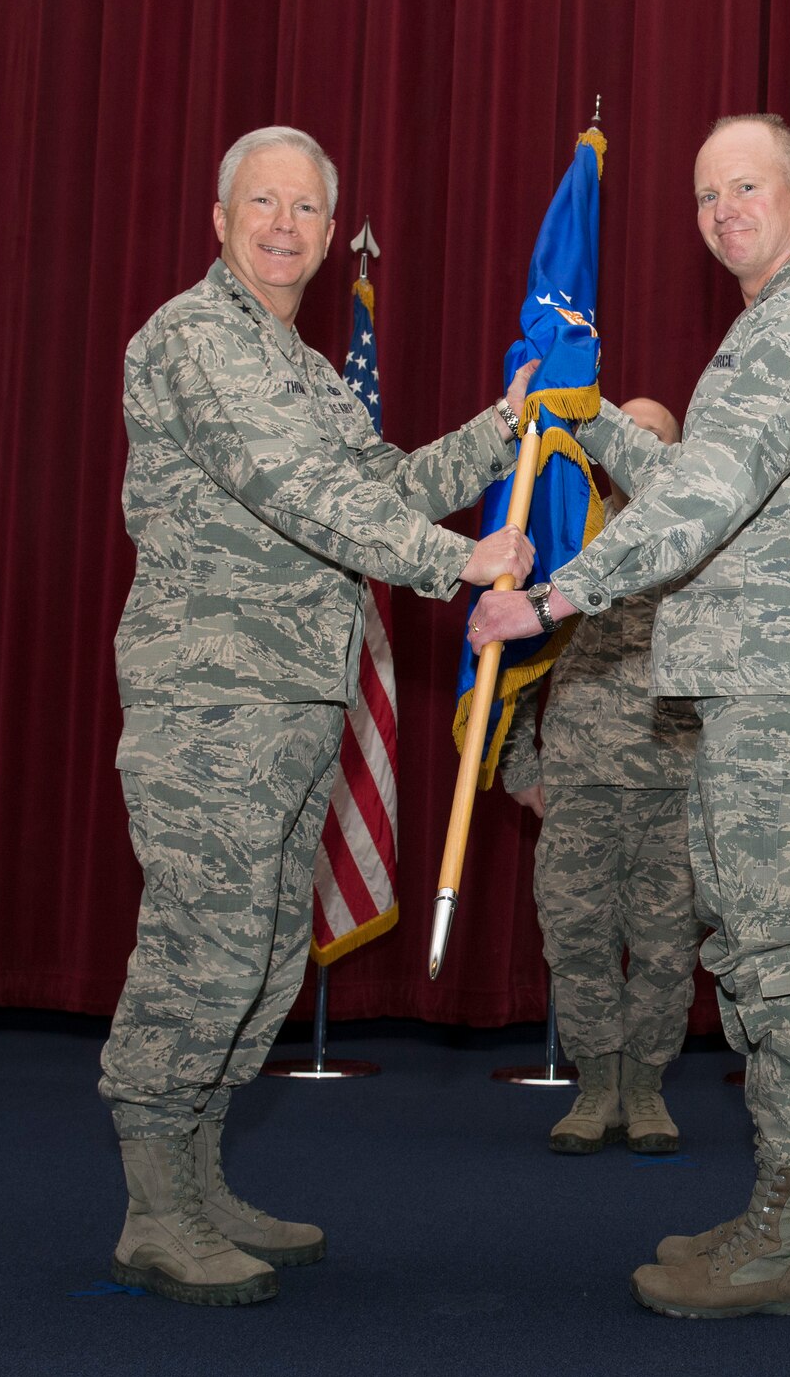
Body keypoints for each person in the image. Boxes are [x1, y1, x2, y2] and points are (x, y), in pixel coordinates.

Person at [467, 112, 790, 1321]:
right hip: (755, 683)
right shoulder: (759, 334)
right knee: (757, 952)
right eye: (707, 193)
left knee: (787, 957)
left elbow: (705, 495)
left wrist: (553, 596)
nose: (723, 210)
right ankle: (780, 1208)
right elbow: (699, 483)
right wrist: (585, 415)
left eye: (747, 186)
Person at [103, 125, 539, 1306]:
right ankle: (155, 1208)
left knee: (260, 952)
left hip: (298, 701)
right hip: (212, 701)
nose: (285, 225)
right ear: (220, 217)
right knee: (201, 949)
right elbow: (293, 491)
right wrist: (459, 564)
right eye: (264, 203)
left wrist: (502, 431)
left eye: (306, 208)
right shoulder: (192, 338)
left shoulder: (301, 368)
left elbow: (375, 485)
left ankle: (200, 1181)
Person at [498, 398, 703, 1157]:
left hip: (672, 779)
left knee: (663, 947)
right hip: (578, 778)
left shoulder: (701, 542)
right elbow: (513, 660)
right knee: (577, 938)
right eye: (630, 432)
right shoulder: (567, 531)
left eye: (656, 437)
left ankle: (645, 1086)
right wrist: (520, 764)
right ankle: (595, 1085)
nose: (637, 445)